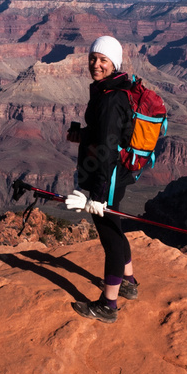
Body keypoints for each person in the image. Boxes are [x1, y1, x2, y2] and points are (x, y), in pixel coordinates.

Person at [64, 35, 138, 323]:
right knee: (115, 228)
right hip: (112, 176)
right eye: (93, 58)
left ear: (114, 63)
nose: (96, 64)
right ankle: (129, 283)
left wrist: (97, 195)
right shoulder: (107, 90)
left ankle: (109, 306)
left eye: (103, 60)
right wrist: (81, 135)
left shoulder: (111, 99)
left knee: (110, 239)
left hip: (108, 177)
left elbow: (107, 150)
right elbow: (105, 135)